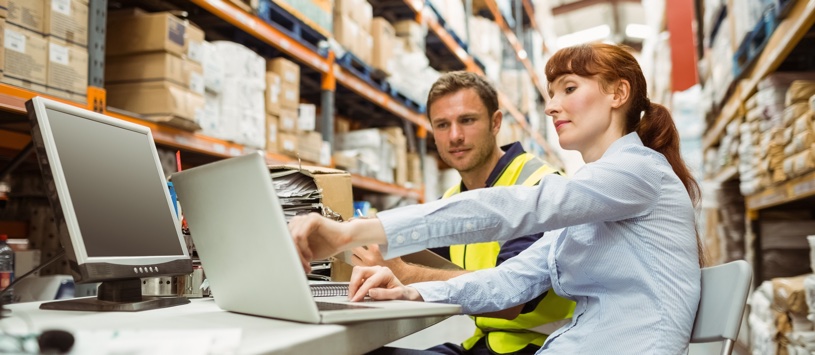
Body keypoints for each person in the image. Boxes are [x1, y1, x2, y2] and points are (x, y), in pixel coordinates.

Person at [289, 43, 704, 354]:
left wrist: (351, 233)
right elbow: (510, 280)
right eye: (551, 93)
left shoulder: (638, 171)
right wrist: (409, 291)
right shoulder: (593, 195)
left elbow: (513, 207)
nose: (551, 106)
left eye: (568, 88)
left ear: (618, 94)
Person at [350, 71, 574, 355]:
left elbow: (509, 301)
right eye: (442, 125)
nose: (455, 136)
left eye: (467, 120)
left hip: (539, 346)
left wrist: (403, 273)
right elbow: (417, 258)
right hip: (482, 344)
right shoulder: (453, 199)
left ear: (495, 123)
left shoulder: (538, 187)